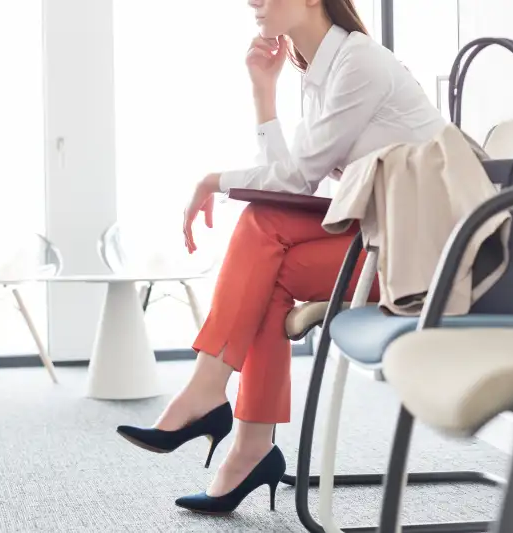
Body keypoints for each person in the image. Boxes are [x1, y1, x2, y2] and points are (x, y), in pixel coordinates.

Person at [117, 0, 447, 515]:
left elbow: (293, 181)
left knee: (259, 234)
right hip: (378, 237)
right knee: (263, 257)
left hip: (419, 255)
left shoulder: (358, 63)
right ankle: (244, 443)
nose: (251, 0)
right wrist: (263, 93)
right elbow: (289, 185)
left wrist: (214, 180)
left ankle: (218, 409)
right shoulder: (321, 73)